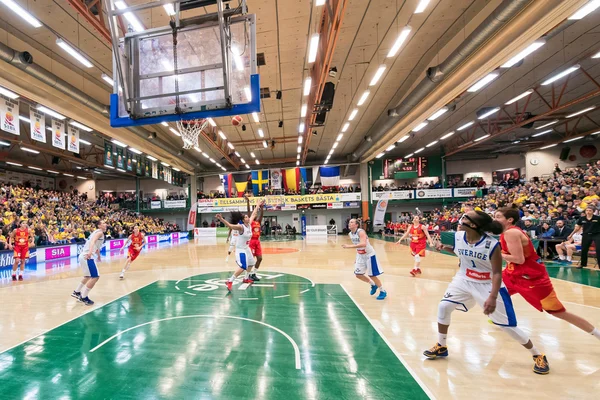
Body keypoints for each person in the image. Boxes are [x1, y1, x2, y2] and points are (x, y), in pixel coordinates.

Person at [424, 211, 549, 374]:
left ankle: (538, 354)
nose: (461, 219)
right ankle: (441, 346)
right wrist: (445, 247)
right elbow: (460, 251)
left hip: (487, 284)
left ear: (474, 225)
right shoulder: (459, 236)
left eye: (466, 218)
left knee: (507, 327)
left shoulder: (491, 245)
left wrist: (492, 296)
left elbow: (497, 273)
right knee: (443, 307)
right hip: (464, 279)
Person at [494, 208, 600, 341]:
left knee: (559, 312)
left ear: (509, 220)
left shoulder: (511, 233)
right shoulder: (507, 232)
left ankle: (597, 333)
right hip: (512, 274)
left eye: (498, 217)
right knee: (492, 291)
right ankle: (504, 319)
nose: (494, 219)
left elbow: (519, 259)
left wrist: (495, 253)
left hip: (531, 278)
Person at [215, 200, 264, 291]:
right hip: (240, 249)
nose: (248, 217)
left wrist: (257, 205)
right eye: (246, 217)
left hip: (246, 248)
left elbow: (254, 213)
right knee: (243, 267)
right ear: (243, 220)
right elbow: (230, 225)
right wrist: (221, 219)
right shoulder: (240, 227)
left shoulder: (249, 224)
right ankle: (230, 281)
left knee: (252, 263)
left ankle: (246, 278)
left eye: (247, 217)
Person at [342, 218, 387, 300]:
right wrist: (357, 256)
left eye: (352, 222)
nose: (349, 223)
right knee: (358, 274)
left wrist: (349, 246)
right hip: (360, 255)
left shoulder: (361, 232)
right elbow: (357, 245)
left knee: (372, 275)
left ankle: (382, 291)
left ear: (356, 225)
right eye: (349, 222)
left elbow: (363, 244)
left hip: (369, 255)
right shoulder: (350, 234)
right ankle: (373, 284)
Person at [72, 220, 107, 306]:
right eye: (103, 223)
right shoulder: (100, 233)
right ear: (99, 226)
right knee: (95, 277)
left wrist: (98, 256)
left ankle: (77, 292)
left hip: (83, 256)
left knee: (87, 276)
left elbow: (97, 247)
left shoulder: (96, 232)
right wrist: (90, 252)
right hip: (87, 256)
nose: (105, 224)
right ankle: (84, 297)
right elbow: (92, 242)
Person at [247, 196, 263, 282]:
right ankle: (248, 275)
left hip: (257, 241)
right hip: (251, 241)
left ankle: (254, 274)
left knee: (260, 258)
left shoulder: (259, 221)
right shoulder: (251, 222)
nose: (256, 215)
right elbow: (250, 213)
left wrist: (262, 207)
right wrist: (248, 203)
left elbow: (261, 215)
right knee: (251, 260)